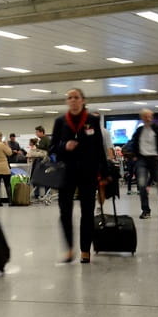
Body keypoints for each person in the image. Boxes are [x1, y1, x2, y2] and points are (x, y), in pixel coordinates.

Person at [50, 88, 108, 264]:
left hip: (87, 172)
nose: (73, 100)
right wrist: (64, 146)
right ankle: (69, 249)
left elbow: (99, 148)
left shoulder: (92, 120)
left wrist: (104, 174)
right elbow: (52, 148)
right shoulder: (60, 122)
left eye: (76, 97)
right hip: (65, 173)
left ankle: (85, 250)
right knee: (65, 211)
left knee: (87, 212)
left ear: (83, 100)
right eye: (70, 98)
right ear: (66, 101)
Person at [129, 108, 158, 219]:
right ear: (142, 118)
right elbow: (133, 143)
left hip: (155, 159)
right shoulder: (139, 130)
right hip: (142, 159)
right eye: (145, 116)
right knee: (142, 184)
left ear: (152, 117)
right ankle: (145, 210)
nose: (147, 118)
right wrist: (135, 155)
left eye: (149, 116)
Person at [33, 126, 52, 199]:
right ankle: (41, 194)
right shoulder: (42, 140)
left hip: (44, 161)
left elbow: (45, 150)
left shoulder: (45, 140)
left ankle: (44, 194)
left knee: (43, 178)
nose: (36, 134)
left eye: (37, 132)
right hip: (43, 161)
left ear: (41, 132)